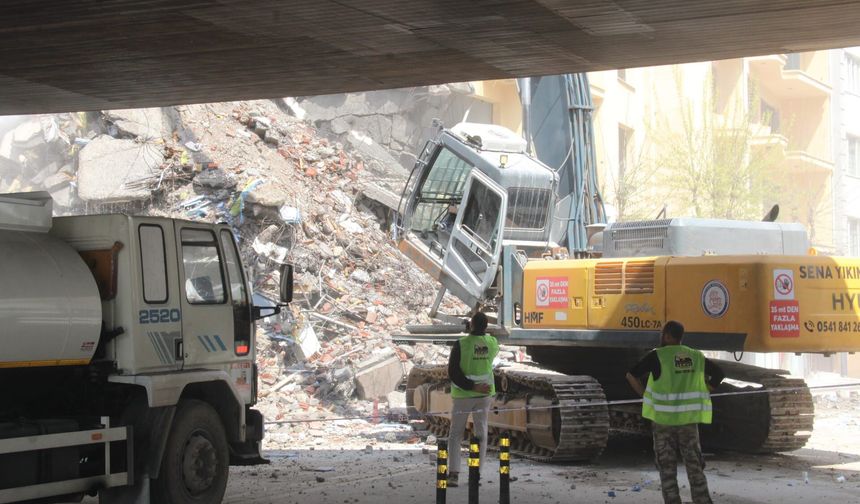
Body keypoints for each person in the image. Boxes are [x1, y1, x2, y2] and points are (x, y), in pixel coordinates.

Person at [625, 321, 725, 504]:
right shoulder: (695, 356)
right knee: (695, 465)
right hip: (688, 422)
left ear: (668, 336)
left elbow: (631, 374)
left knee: (667, 469)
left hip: (663, 422)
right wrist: (705, 389)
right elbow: (719, 374)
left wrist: (644, 395)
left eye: (663, 333)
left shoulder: (658, 356)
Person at [446, 311, 499, 488]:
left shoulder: (462, 344)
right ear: (486, 327)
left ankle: (453, 474)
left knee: (456, 434)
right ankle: (476, 474)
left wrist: (471, 386)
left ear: (471, 325)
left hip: (463, 395)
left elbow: (453, 372)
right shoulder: (492, 343)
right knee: (481, 433)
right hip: (484, 395)